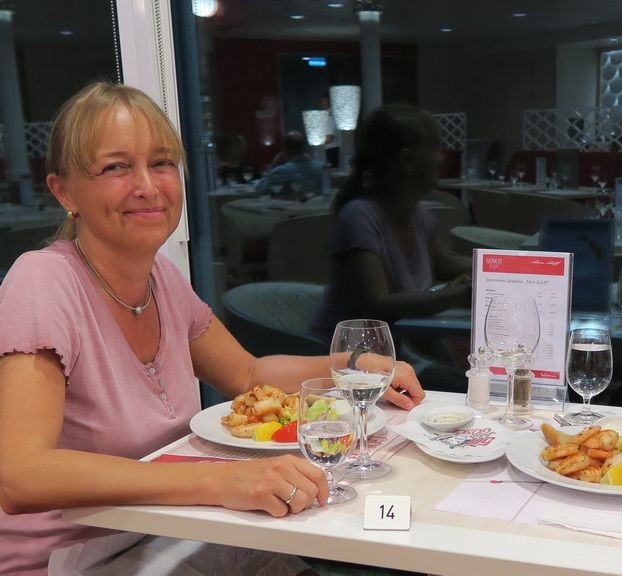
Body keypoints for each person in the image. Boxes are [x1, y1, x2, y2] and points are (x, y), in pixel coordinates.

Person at [0, 82, 425, 575]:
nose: (147, 186)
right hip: (69, 559)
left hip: (168, 532)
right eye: (116, 167)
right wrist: (221, 481)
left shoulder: (160, 277)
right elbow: (20, 475)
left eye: (161, 163)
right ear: (64, 191)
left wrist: (353, 368)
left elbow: (246, 374)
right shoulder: (44, 280)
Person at [310, 104, 471, 342]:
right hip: (346, 356)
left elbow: (446, 265)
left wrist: (506, 267)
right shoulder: (359, 216)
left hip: (396, 350)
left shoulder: (417, 214)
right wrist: (464, 294)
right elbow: (378, 306)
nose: (440, 157)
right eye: (435, 148)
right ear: (407, 160)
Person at [259, 130, 326, 199]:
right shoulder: (321, 168)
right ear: (304, 147)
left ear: (285, 150)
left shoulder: (280, 171)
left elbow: (261, 190)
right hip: (318, 205)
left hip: (286, 205)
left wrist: (273, 165)